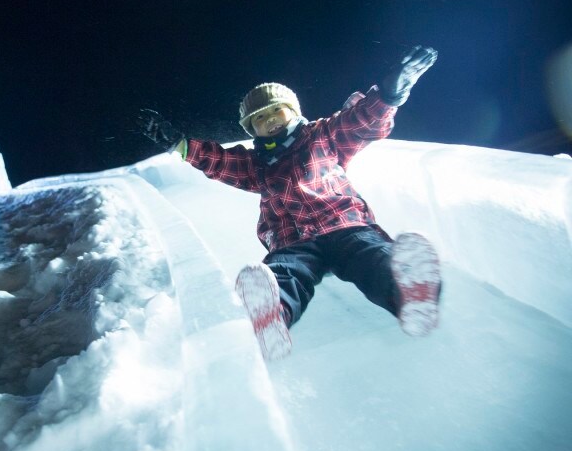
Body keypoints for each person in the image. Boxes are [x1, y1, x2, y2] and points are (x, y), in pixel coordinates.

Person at [139, 46, 441, 360]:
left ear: (293, 111)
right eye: (259, 118)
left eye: (275, 111)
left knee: (371, 255)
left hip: (344, 225)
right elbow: (220, 161)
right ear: (251, 129)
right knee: (284, 272)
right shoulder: (256, 163)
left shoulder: (323, 134)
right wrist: (180, 144)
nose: (269, 119)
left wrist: (389, 94)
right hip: (292, 239)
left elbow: (359, 121)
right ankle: (271, 315)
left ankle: (408, 292)